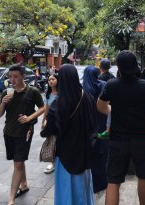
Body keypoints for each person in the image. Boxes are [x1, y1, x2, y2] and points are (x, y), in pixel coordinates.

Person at [97, 50, 145, 205]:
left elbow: (100, 106)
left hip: (118, 139)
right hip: (142, 139)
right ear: (135, 65)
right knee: (144, 176)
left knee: (113, 181)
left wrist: (114, 112)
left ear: (118, 66)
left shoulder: (112, 85)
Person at [41, 64, 98, 205]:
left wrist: (43, 131)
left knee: (66, 188)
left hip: (65, 153)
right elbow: (94, 125)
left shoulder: (58, 104)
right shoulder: (88, 98)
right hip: (84, 151)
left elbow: (48, 130)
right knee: (83, 186)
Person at [0, 64, 45, 205]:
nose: (13, 79)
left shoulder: (32, 91)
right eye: (10, 77)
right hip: (9, 132)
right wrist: (3, 104)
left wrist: (30, 118)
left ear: (23, 76)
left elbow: (43, 107)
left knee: (17, 163)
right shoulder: (6, 93)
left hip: (25, 132)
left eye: (16, 77)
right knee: (18, 161)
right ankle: (23, 185)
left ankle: (11, 198)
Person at [82, 65, 108, 193]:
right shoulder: (103, 85)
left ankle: (91, 184)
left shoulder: (83, 90)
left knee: (91, 154)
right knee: (102, 153)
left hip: (89, 126)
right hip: (103, 122)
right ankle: (102, 182)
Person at [41, 73, 59, 174]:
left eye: (53, 79)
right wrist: (43, 121)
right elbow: (46, 109)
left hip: (59, 122)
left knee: (58, 142)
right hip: (50, 122)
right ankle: (52, 163)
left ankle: (58, 162)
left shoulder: (61, 94)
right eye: (49, 80)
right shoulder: (48, 94)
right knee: (51, 141)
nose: (51, 81)